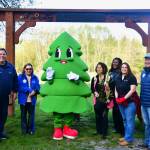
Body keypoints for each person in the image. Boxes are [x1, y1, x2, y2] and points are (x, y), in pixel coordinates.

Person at [115, 62, 137, 146]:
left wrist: (124, 98)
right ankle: (126, 136)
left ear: (128, 68)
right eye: (122, 67)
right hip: (120, 102)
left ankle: (128, 139)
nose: (124, 68)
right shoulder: (118, 77)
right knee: (124, 120)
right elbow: (116, 89)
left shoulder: (132, 77)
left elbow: (132, 90)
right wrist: (117, 98)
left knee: (129, 121)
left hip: (129, 103)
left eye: (126, 67)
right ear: (120, 68)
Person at [0, 48, 18, 140]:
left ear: (6, 56)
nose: (2, 56)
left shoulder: (11, 67)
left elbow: (15, 80)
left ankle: (1, 132)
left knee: (3, 114)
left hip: (6, 96)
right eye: (0, 54)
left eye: (3, 54)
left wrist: (15, 92)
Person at [18, 63, 40, 135]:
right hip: (23, 100)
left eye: (30, 69)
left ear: (32, 69)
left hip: (32, 101)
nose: (28, 70)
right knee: (23, 116)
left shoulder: (35, 77)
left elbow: (38, 87)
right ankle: (24, 131)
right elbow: (20, 86)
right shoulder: (20, 77)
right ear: (24, 69)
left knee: (31, 116)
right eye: (27, 69)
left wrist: (35, 91)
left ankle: (31, 130)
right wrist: (30, 91)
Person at [91, 62, 109, 139]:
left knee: (104, 116)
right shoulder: (94, 78)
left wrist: (109, 99)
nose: (98, 69)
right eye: (97, 67)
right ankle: (99, 131)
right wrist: (95, 92)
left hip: (106, 100)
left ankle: (104, 133)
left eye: (100, 67)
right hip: (97, 100)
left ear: (104, 68)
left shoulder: (108, 78)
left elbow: (111, 89)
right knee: (98, 116)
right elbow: (92, 88)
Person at [108, 57, 124, 136]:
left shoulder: (121, 72)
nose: (114, 63)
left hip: (119, 94)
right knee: (114, 111)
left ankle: (121, 129)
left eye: (116, 62)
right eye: (113, 62)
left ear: (119, 63)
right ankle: (117, 128)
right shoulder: (110, 71)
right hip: (111, 94)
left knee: (119, 111)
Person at [139, 53, 150, 150]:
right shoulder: (143, 72)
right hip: (143, 104)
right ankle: (147, 142)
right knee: (147, 124)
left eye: (149, 60)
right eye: (146, 59)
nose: (147, 61)